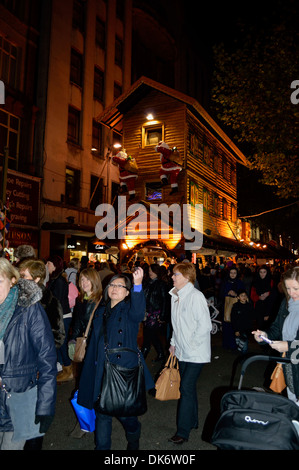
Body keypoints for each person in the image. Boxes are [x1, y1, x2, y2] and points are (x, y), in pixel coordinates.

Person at [77, 267, 155, 450]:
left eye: (120, 286)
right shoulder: (101, 310)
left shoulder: (129, 310)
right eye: (112, 285)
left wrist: (137, 286)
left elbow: (138, 311)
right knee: (102, 412)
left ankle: (134, 436)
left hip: (123, 369)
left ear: (127, 292)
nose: (114, 288)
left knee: (126, 414)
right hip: (101, 367)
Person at [0, 258, 56, 450]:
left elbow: (47, 360)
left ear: (12, 281)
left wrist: (45, 406)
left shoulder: (29, 310)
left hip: (18, 398)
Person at [168, 262, 212, 444]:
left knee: (185, 387)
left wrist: (191, 344)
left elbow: (205, 326)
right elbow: (176, 325)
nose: (172, 277)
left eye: (176, 274)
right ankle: (193, 420)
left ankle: (183, 431)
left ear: (186, 277)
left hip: (196, 352)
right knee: (189, 386)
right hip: (182, 350)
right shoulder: (175, 296)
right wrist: (173, 342)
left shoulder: (196, 296)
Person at [252, 266, 299, 405]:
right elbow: (277, 329)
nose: (291, 293)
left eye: (296, 288)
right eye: (288, 288)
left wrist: (288, 346)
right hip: (291, 369)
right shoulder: (286, 303)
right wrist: (264, 335)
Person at [68, 268, 102, 438]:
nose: (84, 283)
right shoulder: (81, 300)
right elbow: (77, 323)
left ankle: (93, 419)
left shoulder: (101, 300)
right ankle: (85, 421)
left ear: (94, 281)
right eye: (81, 280)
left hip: (96, 349)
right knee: (82, 383)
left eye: (87, 280)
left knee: (94, 384)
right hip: (83, 348)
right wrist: (73, 341)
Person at [46, 255, 72, 382]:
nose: (47, 266)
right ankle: (64, 367)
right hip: (59, 316)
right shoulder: (55, 279)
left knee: (61, 343)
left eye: (49, 263)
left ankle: (68, 369)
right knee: (60, 343)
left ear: (55, 265)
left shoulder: (59, 281)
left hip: (62, 317)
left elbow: (57, 301)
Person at [142, 264, 167, 362]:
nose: (149, 272)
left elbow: (165, 300)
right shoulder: (147, 282)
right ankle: (161, 354)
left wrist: (163, 315)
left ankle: (142, 358)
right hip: (147, 313)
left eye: (151, 270)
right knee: (152, 335)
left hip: (155, 313)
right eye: (149, 270)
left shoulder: (161, 284)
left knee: (147, 336)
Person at [220, 266, 245, 351]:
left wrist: (236, 294)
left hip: (237, 308)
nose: (233, 274)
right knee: (227, 325)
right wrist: (227, 293)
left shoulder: (239, 283)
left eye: (234, 273)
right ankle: (227, 344)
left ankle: (235, 345)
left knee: (235, 325)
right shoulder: (225, 282)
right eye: (231, 273)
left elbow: (244, 295)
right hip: (226, 307)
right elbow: (220, 294)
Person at [251, 264, 277, 329]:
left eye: (264, 272)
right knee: (260, 327)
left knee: (268, 328)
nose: (262, 274)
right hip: (259, 308)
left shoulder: (271, 282)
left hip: (269, 308)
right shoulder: (255, 282)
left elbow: (274, 296)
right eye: (261, 272)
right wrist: (259, 297)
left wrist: (269, 293)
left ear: (267, 272)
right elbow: (252, 295)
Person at [231, 289, 254, 355]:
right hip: (239, 328)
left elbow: (252, 316)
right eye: (242, 296)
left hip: (247, 328)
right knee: (241, 343)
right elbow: (233, 319)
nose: (244, 297)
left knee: (244, 344)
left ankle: (243, 356)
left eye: (245, 295)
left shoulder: (249, 305)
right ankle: (242, 356)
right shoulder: (235, 306)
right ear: (238, 297)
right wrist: (236, 330)